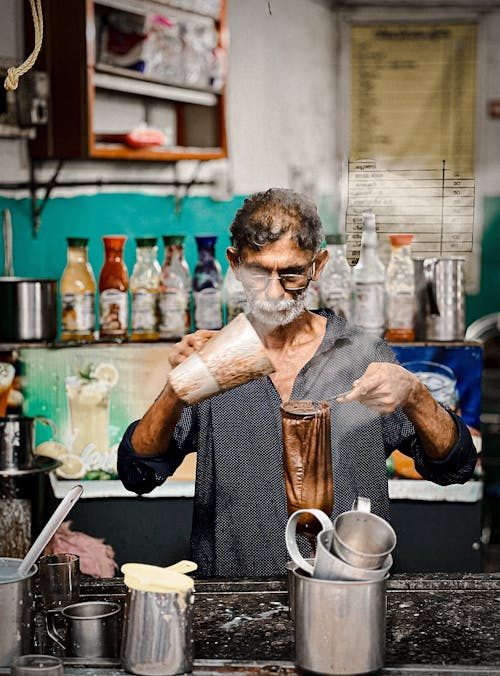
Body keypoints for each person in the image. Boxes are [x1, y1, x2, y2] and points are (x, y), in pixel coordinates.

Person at [118, 188, 477, 577]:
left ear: (317, 265)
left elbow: (455, 467)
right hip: (234, 605)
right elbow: (138, 473)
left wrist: (414, 394)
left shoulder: (361, 353)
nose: (274, 291)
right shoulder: (214, 361)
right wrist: (176, 389)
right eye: (258, 272)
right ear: (235, 263)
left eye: (290, 273)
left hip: (346, 595)